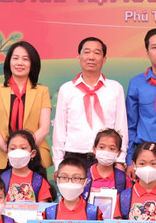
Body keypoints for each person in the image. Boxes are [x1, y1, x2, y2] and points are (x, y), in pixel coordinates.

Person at [53, 36, 128, 165]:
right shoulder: (67, 89)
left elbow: (121, 126)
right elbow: (60, 129)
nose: (91, 57)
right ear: (79, 57)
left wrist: (120, 160)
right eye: (86, 52)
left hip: (106, 157)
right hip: (73, 158)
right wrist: (58, 162)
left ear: (104, 59)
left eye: (97, 53)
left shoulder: (115, 88)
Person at [0, 40, 52, 172]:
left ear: (32, 63)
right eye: (15, 58)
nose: (20, 63)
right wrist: (9, 150)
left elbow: (44, 128)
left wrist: (25, 151)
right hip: (2, 155)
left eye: (25, 59)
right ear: (9, 62)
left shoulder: (42, 91)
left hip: (34, 156)